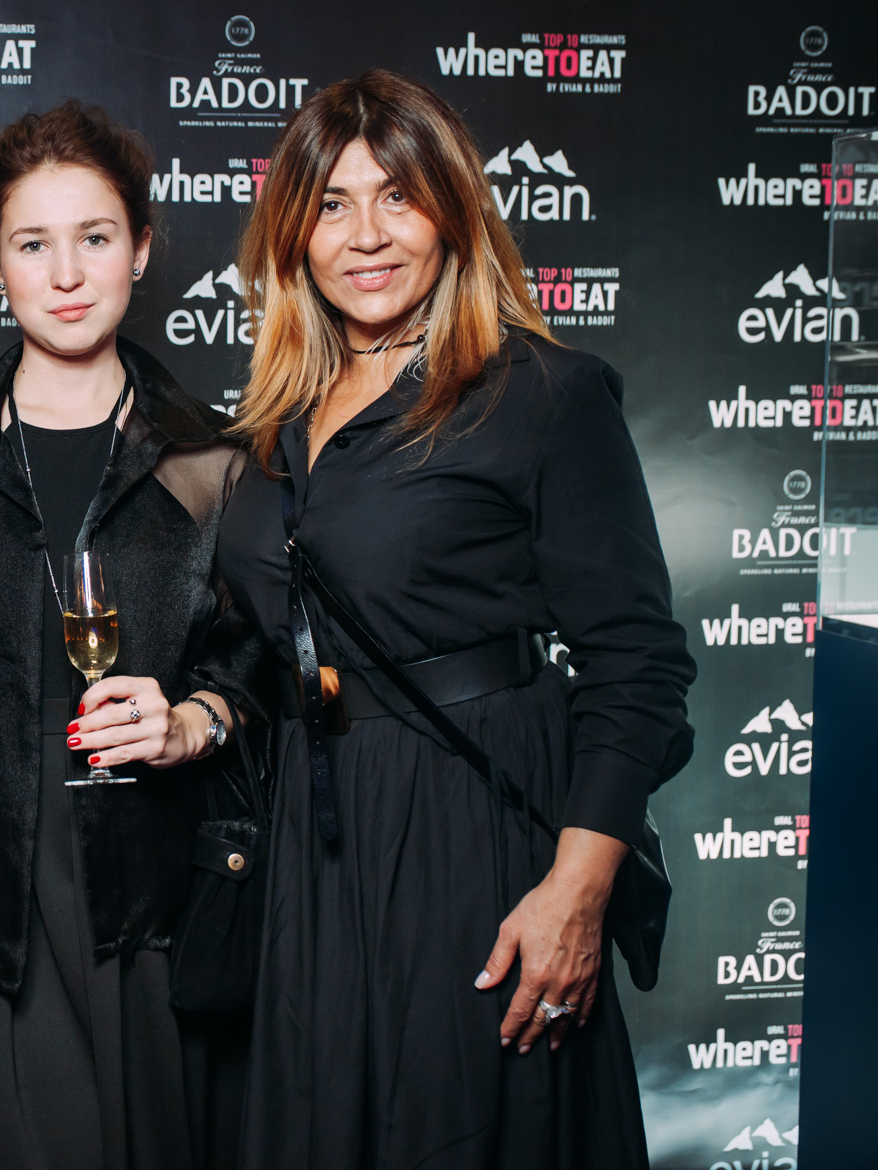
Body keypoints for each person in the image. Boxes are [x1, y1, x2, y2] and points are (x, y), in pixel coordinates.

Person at [216, 69, 695, 1169]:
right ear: (293, 236)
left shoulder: (541, 393)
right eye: (332, 205)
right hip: (316, 843)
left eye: (398, 196)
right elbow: (266, 639)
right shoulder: (276, 418)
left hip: (470, 832)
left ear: (453, 210)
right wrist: (198, 711)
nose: (366, 235)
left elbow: (637, 668)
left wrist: (576, 894)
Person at [0, 100, 259, 1170]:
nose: (66, 273)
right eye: (33, 244)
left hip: (156, 905)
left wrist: (195, 720)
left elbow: (256, 663)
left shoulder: (213, 458)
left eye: (95, 237)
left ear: (142, 249)